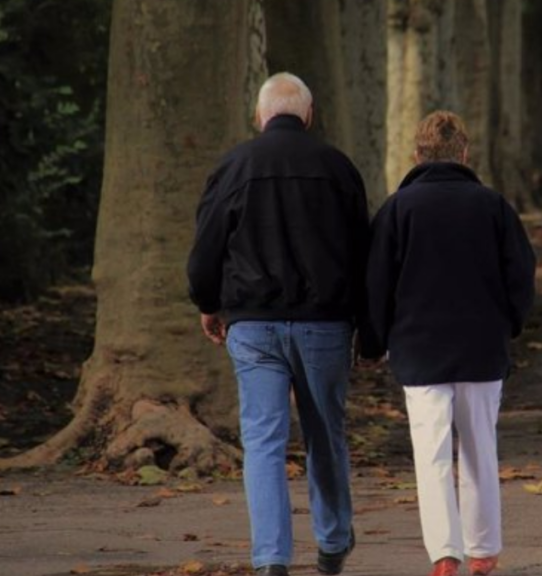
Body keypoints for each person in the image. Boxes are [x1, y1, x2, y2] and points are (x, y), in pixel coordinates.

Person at [187, 72, 364, 576]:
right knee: (324, 433)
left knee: (263, 440)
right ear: (308, 115)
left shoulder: (233, 166)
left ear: (259, 115)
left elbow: (206, 249)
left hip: (253, 324)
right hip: (325, 323)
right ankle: (331, 543)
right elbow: (362, 252)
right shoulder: (338, 168)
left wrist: (208, 301)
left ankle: (271, 558)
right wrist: (366, 325)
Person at [360, 111, 536, 576]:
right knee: (480, 447)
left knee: (431, 453)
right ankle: (484, 549)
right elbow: (520, 275)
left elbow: (377, 284)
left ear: (416, 156)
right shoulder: (493, 206)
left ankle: (444, 552)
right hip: (481, 346)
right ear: (464, 153)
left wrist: (373, 343)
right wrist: (509, 325)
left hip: (419, 349)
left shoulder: (397, 209)